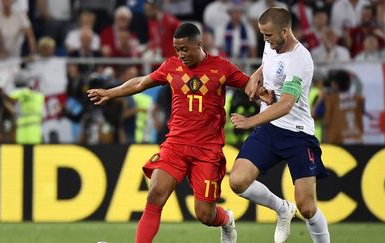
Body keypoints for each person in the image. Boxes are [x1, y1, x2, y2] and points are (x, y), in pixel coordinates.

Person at [87, 23, 273, 243]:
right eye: (177, 50)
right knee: (155, 194)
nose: (181, 54)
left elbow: (249, 85)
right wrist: (110, 92)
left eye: (185, 49)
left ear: (199, 44)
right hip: (175, 144)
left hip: (207, 149)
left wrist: (263, 95)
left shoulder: (221, 68)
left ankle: (226, 220)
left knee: (205, 214)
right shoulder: (171, 66)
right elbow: (140, 82)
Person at [228, 8, 330, 243]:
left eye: (268, 36)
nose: (265, 40)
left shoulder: (301, 59)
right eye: (262, 35)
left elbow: (286, 104)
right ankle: (282, 209)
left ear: (285, 31)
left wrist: (250, 121)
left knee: (306, 206)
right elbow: (269, 62)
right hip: (269, 130)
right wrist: (256, 75)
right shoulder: (271, 43)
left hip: (297, 135)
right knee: (237, 181)